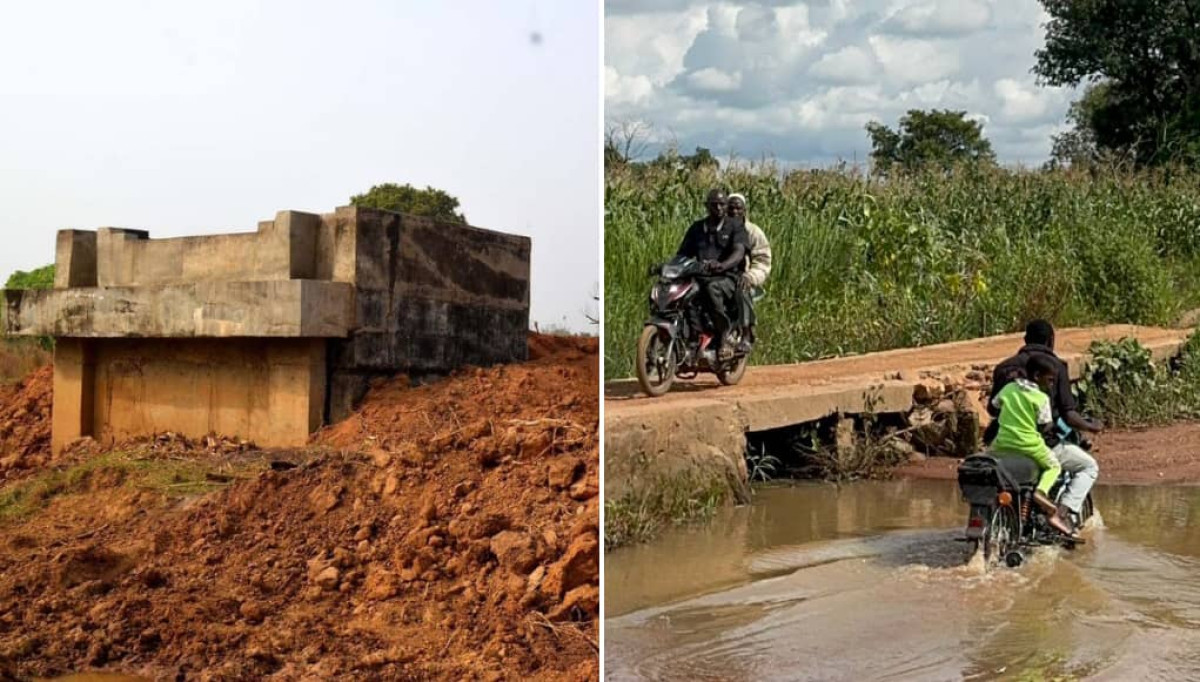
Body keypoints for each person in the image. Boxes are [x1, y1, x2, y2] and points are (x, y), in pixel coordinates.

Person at [985, 320, 1103, 532]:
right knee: (1088, 466)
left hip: (1001, 442)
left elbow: (992, 410)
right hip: (1036, 443)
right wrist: (1091, 426)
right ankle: (1061, 514)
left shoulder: (1004, 368)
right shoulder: (1055, 369)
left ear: (1025, 339)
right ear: (1051, 340)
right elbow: (1068, 414)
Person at [990, 354, 1078, 537]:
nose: (1052, 385)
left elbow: (995, 404)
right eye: (1050, 380)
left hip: (1001, 443)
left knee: (988, 463)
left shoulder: (1009, 388)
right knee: (1054, 466)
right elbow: (1045, 424)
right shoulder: (1040, 398)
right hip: (1029, 445)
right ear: (1037, 377)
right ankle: (1041, 493)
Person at [676, 189, 749, 360]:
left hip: (727, 277)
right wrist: (666, 266)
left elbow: (739, 252)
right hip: (700, 276)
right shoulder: (696, 228)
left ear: (726, 206)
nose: (718, 207)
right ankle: (693, 336)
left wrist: (723, 265)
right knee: (683, 292)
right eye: (714, 204)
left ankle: (724, 333)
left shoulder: (735, 226)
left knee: (711, 288)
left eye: (722, 204)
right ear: (706, 206)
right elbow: (682, 255)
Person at [726, 193, 771, 353]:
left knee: (742, 288)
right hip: (720, 277)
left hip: (743, 278)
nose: (734, 212)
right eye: (730, 208)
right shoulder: (717, 228)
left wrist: (750, 276)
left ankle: (747, 333)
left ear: (744, 210)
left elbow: (763, 261)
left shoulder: (753, 232)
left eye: (738, 208)